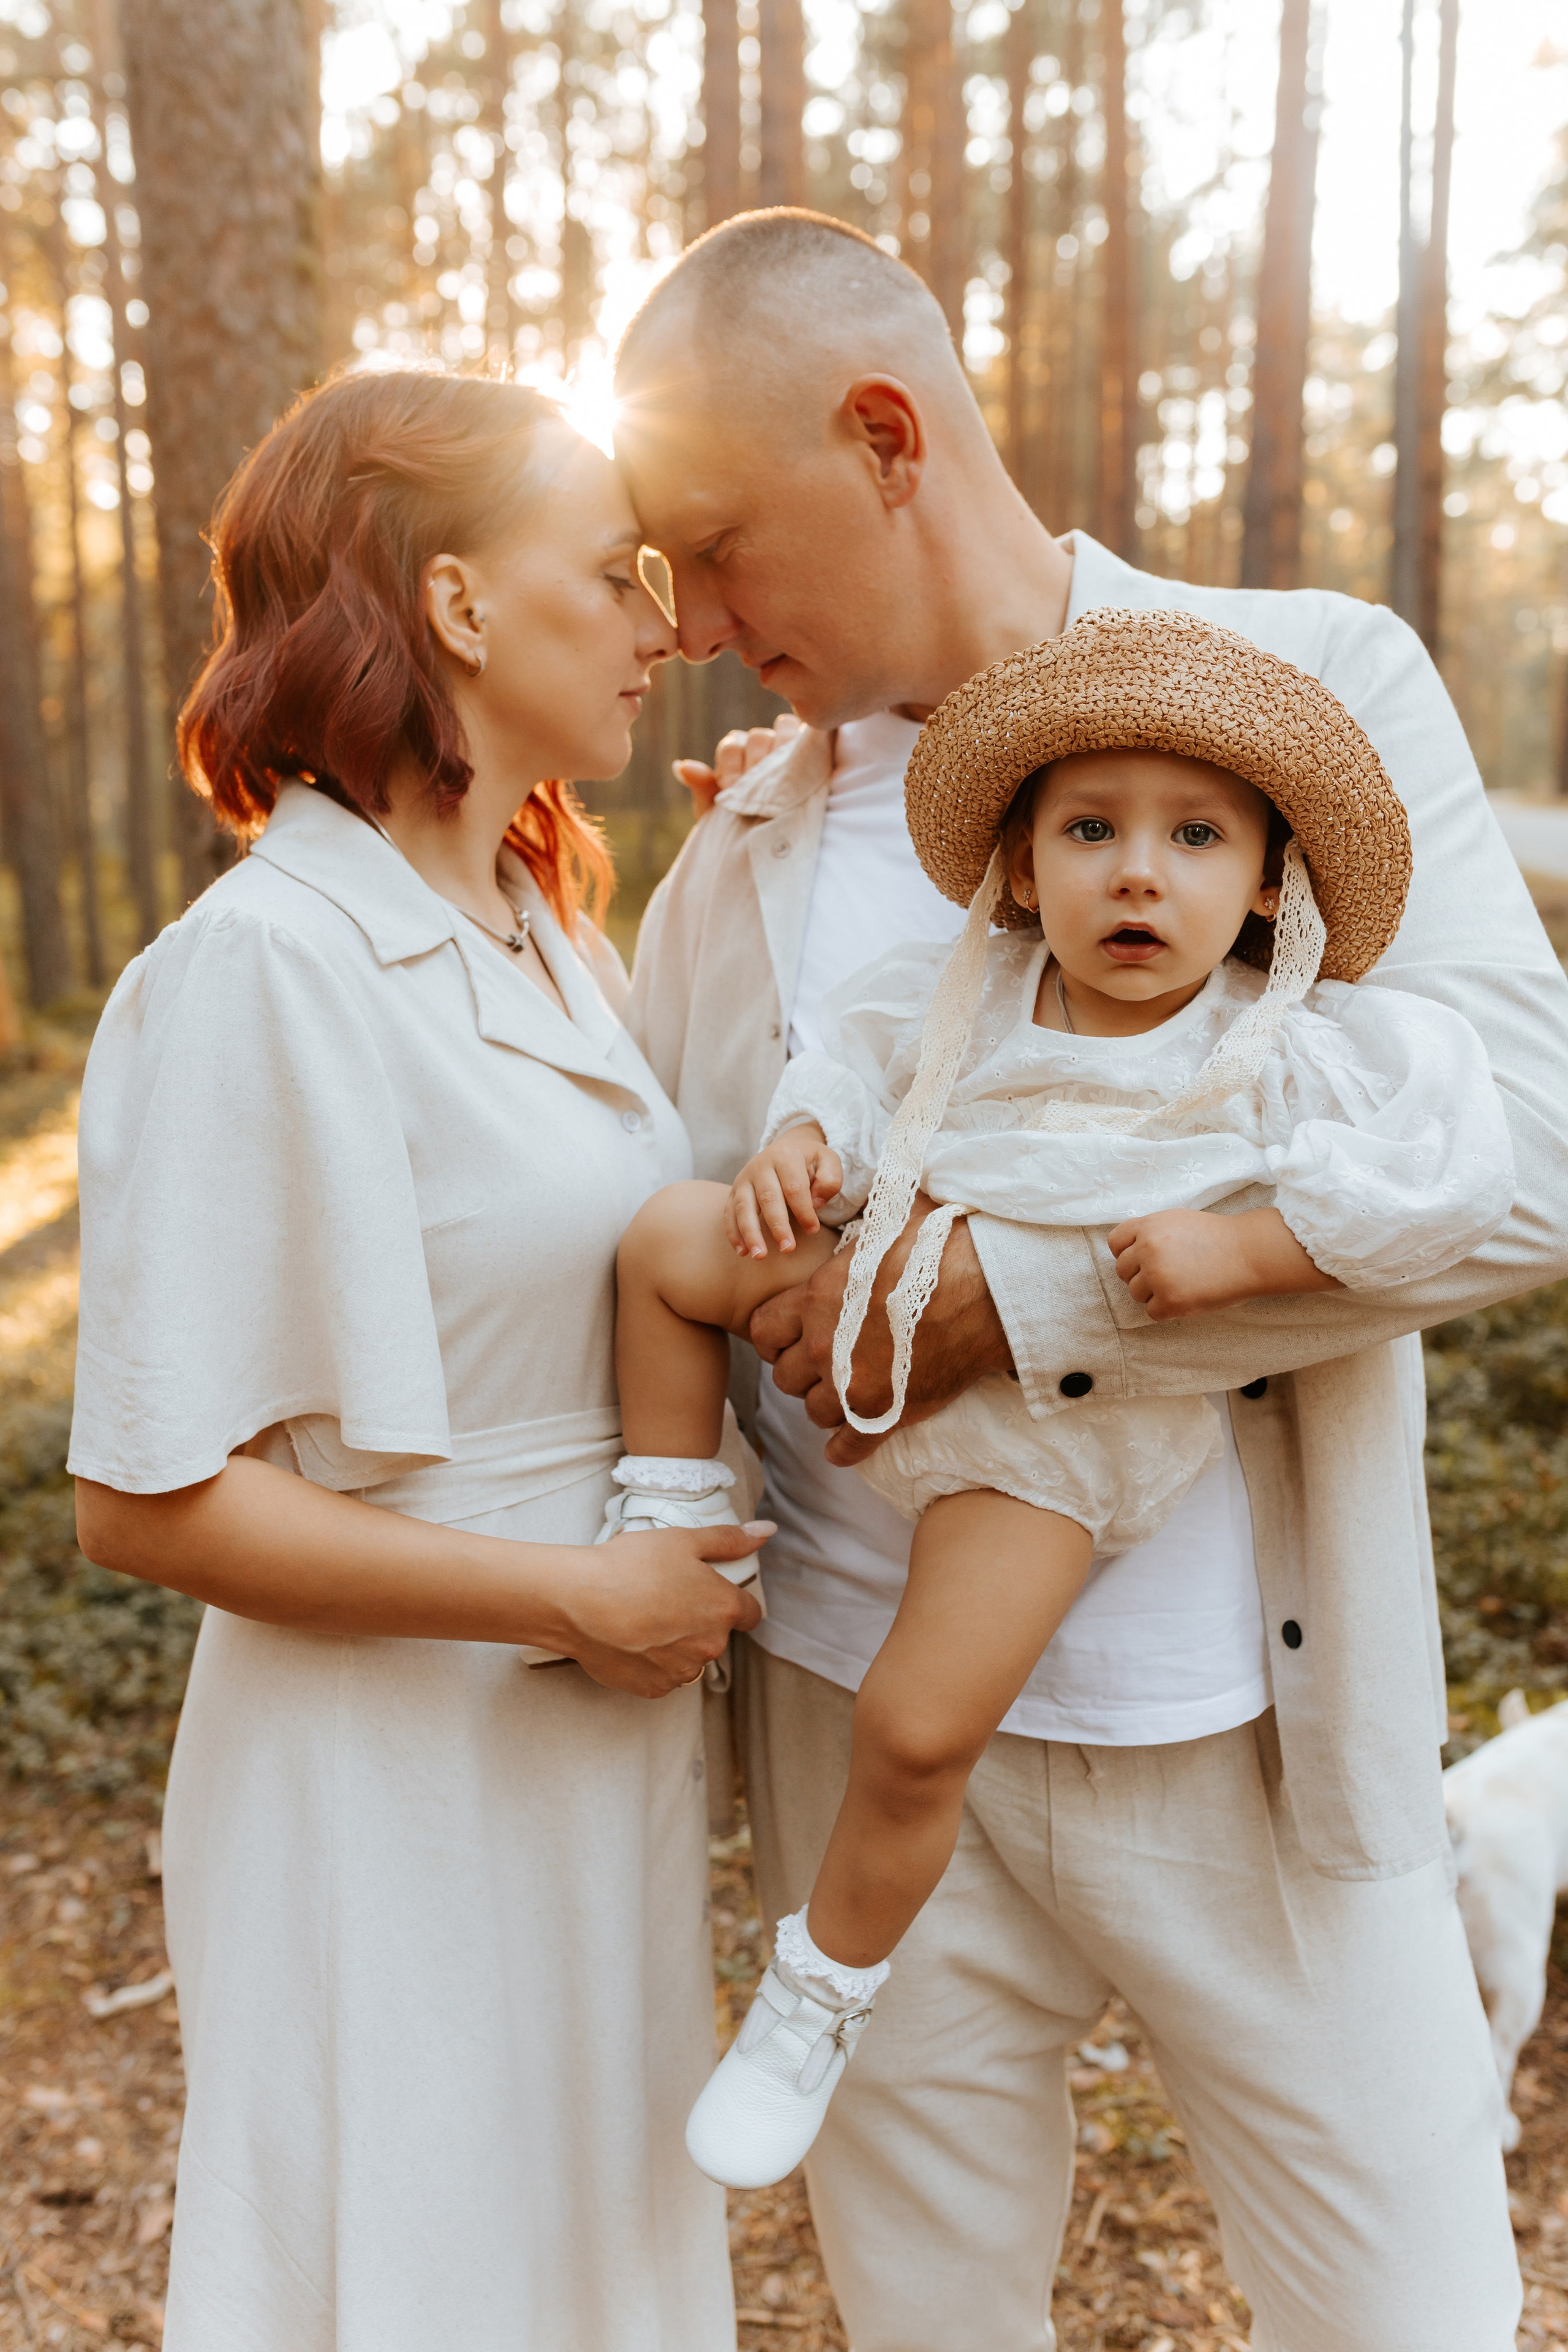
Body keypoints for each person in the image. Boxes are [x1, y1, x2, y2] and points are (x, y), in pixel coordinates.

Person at [614, 208, 1568, 2351]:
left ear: (884, 439)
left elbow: (1535, 1153)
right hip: (861, 1726)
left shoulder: (1308, 689)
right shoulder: (747, 840)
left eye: (719, 547)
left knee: (1412, 2318)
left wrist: (1027, 1307)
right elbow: (672, 1211)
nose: (695, 625)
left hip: (1256, 1743)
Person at [606, 610, 1515, 2188]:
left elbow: (1444, 1192)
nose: (1138, 875)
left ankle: (818, 1989)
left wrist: (1245, 1251)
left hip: (1049, 1437)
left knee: (916, 1727)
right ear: (1022, 869)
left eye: (1196, 837)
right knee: (670, 1238)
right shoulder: (963, 985)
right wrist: (802, 1146)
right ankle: (670, 1505)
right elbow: (849, 1064)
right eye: (1091, 831)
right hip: (873, 1288)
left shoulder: (1277, 1050)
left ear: (1268, 880)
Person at [67, 367, 768, 2352]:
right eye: (613, 575)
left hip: (584, 1759)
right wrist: (575, 1595)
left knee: (584, 2276)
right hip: (385, 1784)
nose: (660, 629)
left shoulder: (553, 929)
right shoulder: (264, 967)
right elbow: (147, 1501)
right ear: (457, 603)